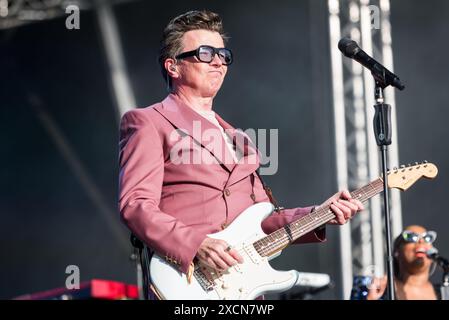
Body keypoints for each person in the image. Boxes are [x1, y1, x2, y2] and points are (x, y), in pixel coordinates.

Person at [118, 10, 363, 290]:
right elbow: (135, 205)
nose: (219, 62)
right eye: (206, 53)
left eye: (223, 55)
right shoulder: (148, 121)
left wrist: (318, 213)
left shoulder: (239, 140)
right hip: (188, 285)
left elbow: (263, 221)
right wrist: (196, 244)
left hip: (242, 288)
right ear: (173, 66)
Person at [365, 225, 440, 300]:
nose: (421, 241)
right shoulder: (375, 288)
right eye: (411, 237)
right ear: (397, 252)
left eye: (427, 238)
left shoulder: (444, 292)